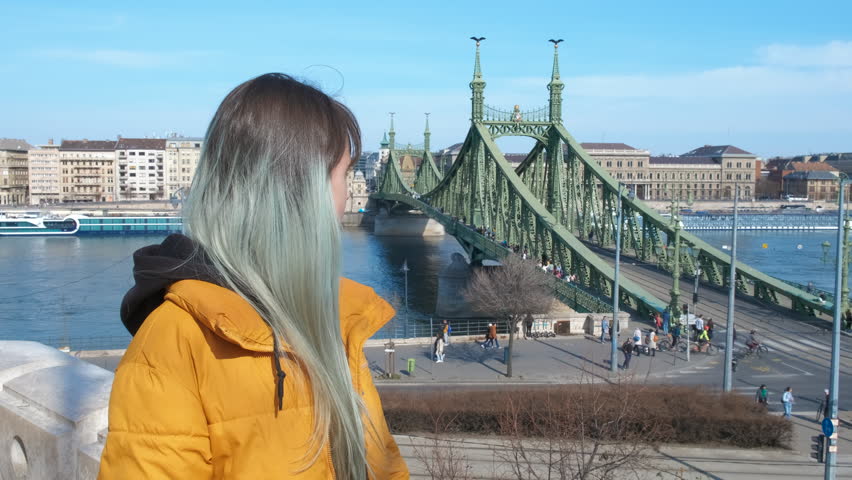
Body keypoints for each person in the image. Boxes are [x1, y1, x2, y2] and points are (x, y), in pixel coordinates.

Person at [98, 74, 408, 478]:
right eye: (341, 175)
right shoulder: (172, 344)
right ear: (295, 193)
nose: (347, 194)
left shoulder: (335, 316)